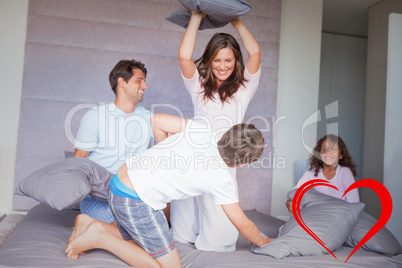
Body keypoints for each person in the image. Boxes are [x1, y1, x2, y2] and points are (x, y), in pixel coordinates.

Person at [66, 114, 273, 268]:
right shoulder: (222, 178)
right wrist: (264, 241)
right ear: (242, 164)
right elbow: (242, 224)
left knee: (140, 243)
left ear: (226, 134)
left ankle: (87, 223)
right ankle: (98, 236)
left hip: (118, 182)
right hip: (134, 200)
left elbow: (156, 120)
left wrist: (166, 156)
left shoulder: (201, 131)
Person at [171, 11, 262, 252]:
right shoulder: (199, 85)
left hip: (224, 158)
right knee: (184, 224)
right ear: (210, 60)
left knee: (219, 236)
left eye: (228, 60)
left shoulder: (244, 88)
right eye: (217, 60)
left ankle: (211, 241)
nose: (222, 66)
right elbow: (183, 56)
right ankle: (185, 237)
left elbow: (255, 53)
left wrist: (235, 20)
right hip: (193, 154)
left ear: (236, 61)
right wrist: (196, 17)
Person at [73, 59, 153, 223]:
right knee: (129, 233)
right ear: (121, 82)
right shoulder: (95, 117)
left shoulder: (148, 117)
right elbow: (78, 162)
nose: (145, 86)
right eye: (139, 80)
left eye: (144, 81)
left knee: (146, 232)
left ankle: (95, 232)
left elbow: (172, 138)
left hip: (132, 195)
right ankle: (92, 228)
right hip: (100, 197)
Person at [286, 134, 360, 213]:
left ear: (341, 155)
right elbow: (293, 194)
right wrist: (288, 203)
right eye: (324, 149)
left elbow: (354, 203)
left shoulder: (345, 172)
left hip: (339, 215)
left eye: (334, 149)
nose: (328, 152)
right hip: (318, 214)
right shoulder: (311, 174)